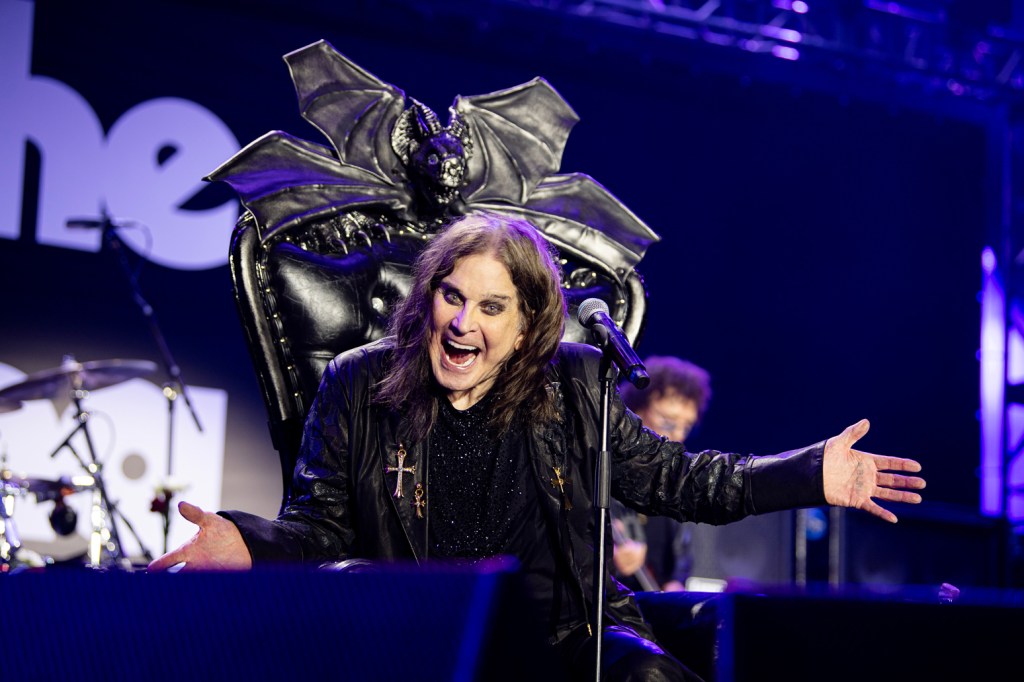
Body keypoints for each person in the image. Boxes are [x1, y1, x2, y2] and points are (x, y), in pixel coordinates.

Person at [149, 211, 926, 681]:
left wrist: (808, 474)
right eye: (452, 297)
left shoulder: (576, 384)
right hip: (431, 637)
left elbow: (680, 480)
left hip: (567, 638)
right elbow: (317, 528)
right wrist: (252, 544)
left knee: (652, 679)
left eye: (491, 307)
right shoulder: (359, 382)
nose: (464, 323)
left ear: (526, 327)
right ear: (428, 298)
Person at [611, 356, 712, 592]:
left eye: (686, 427)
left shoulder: (672, 479)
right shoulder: (601, 473)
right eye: (667, 422)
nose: (678, 436)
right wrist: (608, 560)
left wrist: (676, 583)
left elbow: (680, 553)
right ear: (633, 413)